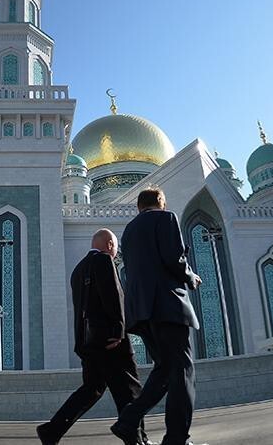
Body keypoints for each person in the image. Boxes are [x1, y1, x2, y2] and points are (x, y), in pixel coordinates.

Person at [36, 229, 153, 445]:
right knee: (130, 389)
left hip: (87, 342)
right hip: (110, 341)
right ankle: (137, 439)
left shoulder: (78, 269)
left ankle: (52, 430)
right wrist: (119, 330)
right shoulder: (104, 261)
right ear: (109, 245)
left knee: (92, 389)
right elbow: (113, 296)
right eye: (115, 248)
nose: (116, 252)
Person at [111, 188, 203, 445]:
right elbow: (174, 257)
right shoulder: (166, 218)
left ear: (139, 206)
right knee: (183, 371)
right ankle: (177, 439)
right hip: (168, 306)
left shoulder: (128, 231)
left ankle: (128, 420)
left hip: (142, 313)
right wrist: (191, 277)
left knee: (164, 370)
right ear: (161, 204)